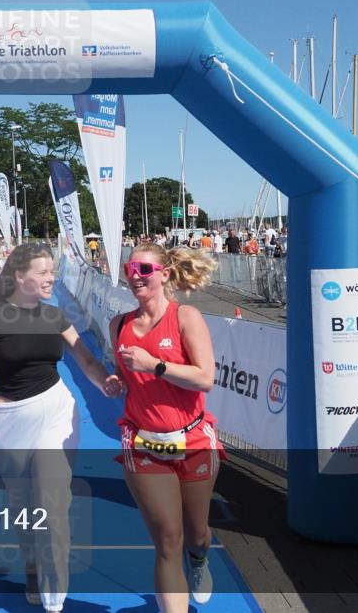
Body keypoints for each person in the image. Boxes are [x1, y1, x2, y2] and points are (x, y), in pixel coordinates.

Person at [0, 243, 122, 613]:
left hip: (54, 411)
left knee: (52, 503)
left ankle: (53, 598)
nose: (52, 278)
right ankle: (32, 563)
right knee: (23, 505)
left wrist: (104, 381)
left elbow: (86, 358)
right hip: (7, 419)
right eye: (44, 272)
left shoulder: (55, 316)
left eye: (52, 272)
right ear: (19, 276)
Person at [110, 243, 225, 613]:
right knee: (168, 541)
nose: (135, 276)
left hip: (192, 439)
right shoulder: (120, 325)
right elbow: (127, 377)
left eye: (144, 269)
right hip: (144, 443)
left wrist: (154, 364)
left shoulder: (186, 317)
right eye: (131, 269)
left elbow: (205, 378)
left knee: (197, 536)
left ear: (164, 274)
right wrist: (117, 381)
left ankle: (201, 560)